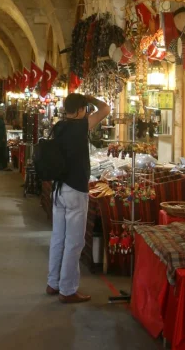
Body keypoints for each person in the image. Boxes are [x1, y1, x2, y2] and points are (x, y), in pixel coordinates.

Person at [47, 93, 110, 304]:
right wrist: (90, 97)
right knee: (74, 242)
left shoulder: (59, 127)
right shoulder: (81, 126)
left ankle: (53, 283)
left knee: (58, 239)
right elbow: (105, 109)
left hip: (58, 189)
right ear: (82, 110)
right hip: (75, 190)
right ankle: (67, 289)